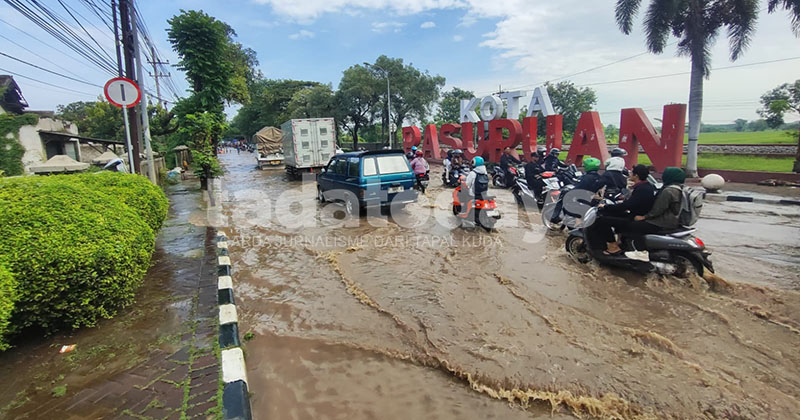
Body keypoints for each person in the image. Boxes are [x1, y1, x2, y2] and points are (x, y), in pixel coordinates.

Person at [598, 167, 686, 254]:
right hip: (661, 220)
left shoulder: (668, 191)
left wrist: (644, 217)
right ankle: (622, 243)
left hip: (658, 222)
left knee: (607, 221)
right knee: (619, 218)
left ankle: (617, 248)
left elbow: (658, 209)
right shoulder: (668, 187)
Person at [590, 165, 657, 252]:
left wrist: (606, 207)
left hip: (635, 217)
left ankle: (613, 246)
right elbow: (632, 203)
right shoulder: (646, 186)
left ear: (636, 175)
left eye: (632, 172)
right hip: (635, 214)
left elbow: (628, 205)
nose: (630, 173)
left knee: (602, 221)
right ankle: (620, 241)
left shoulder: (642, 189)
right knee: (610, 214)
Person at [550, 157, 605, 224]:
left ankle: (557, 217)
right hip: (594, 200)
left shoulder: (586, 178)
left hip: (584, 200)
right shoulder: (600, 177)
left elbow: (578, 188)